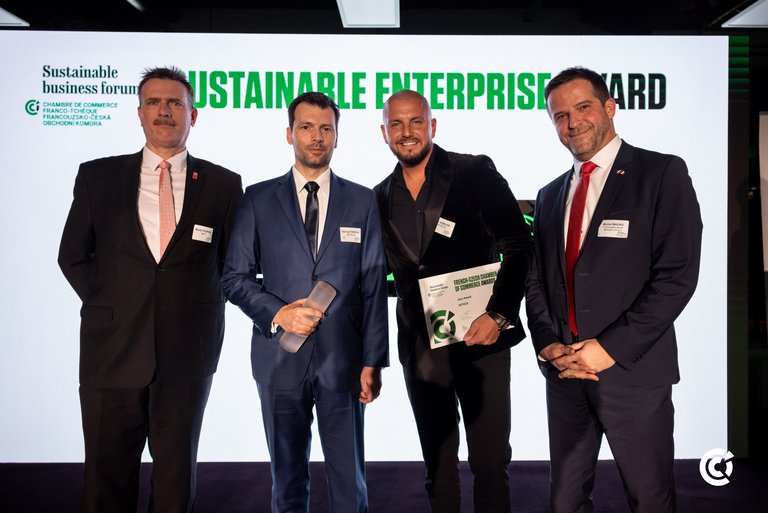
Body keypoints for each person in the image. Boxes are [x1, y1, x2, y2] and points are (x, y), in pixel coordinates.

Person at [58, 66, 243, 513]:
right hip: (111, 354)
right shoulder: (98, 177)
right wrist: (112, 305)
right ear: (139, 113)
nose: (165, 111)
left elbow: (232, 267)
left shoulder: (223, 184)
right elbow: (73, 256)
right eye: (154, 103)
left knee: (176, 487)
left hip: (187, 355)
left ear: (192, 115)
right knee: (105, 483)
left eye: (175, 103)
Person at [525, 66, 703, 513]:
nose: (572, 122)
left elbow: (676, 276)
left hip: (632, 375)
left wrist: (609, 349)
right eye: (560, 115)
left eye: (583, 107)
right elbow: (537, 280)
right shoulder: (549, 195)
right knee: (565, 502)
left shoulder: (661, 173)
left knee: (650, 500)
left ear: (609, 107)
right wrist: (547, 344)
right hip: (566, 375)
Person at [221, 92, 388, 513]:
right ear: (289, 133)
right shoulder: (258, 198)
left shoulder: (363, 200)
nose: (317, 137)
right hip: (279, 359)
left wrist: (373, 361)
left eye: (326, 128)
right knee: (287, 482)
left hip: (345, 361)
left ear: (337, 137)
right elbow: (234, 278)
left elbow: (373, 286)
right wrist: (278, 313)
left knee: (349, 483)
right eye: (307, 127)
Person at [373, 89, 533, 512]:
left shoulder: (474, 171)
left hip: (482, 340)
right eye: (396, 124)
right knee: (438, 467)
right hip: (421, 348)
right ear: (384, 133)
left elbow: (519, 243)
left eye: (416, 121)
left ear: (432, 125)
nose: (407, 132)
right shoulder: (378, 196)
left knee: (489, 462)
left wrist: (499, 314)